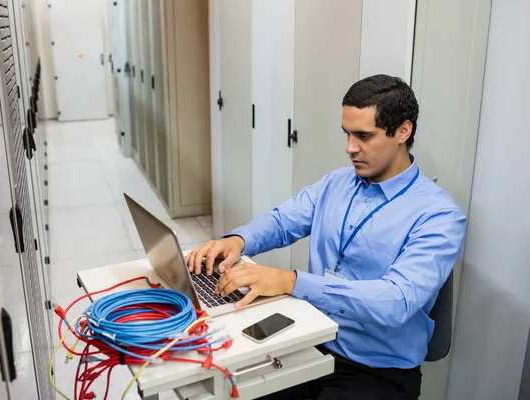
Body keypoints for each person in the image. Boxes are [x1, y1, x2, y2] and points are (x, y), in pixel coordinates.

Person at [185, 74, 467, 400]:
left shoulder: (439, 216)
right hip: (310, 340)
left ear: (403, 131)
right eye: (347, 134)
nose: (350, 148)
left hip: (376, 369)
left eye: (363, 136)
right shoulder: (337, 183)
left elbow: (396, 301)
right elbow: (282, 221)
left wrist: (292, 282)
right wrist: (237, 240)